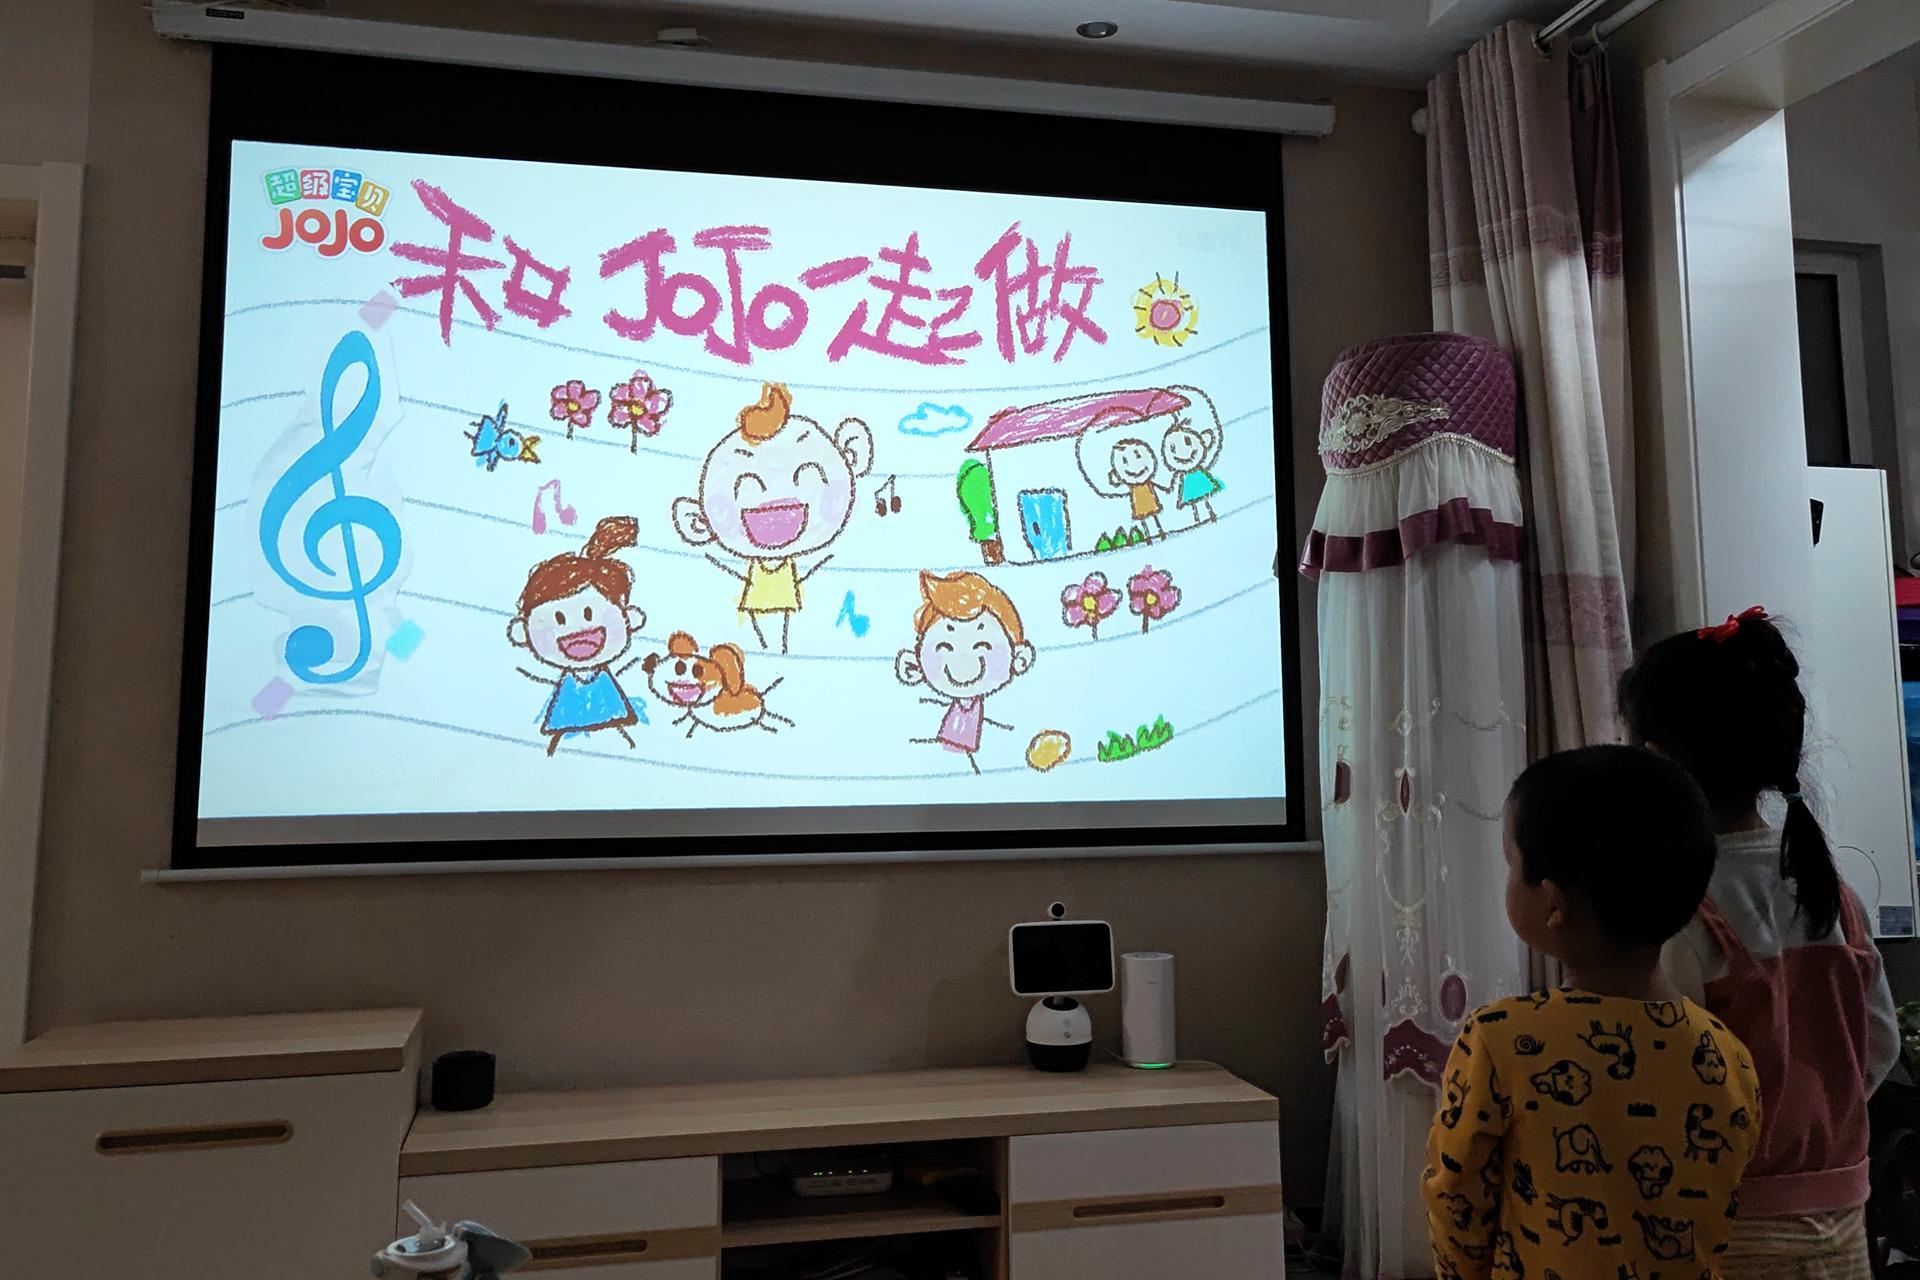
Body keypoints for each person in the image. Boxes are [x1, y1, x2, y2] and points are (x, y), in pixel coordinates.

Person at [1620, 607, 1900, 1278]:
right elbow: (1880, 1043)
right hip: (1844, 1220)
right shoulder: (1835, 893)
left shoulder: (1680, 907)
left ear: (1654, 759)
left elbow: (1664, 1073)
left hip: (1729, 1224)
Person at [1425, 745, 1763, 1280]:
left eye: (1512, 864)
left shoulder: (1500, 1039)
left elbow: (1458, 1198)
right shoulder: (1727, 1054)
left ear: (1553, 903)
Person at [508, 516, 648, 757]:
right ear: (524, 631)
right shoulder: (565, 693)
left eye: (588, 614)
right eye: (559, 619)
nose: (578, 632)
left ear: (629, 618)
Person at [893, 570, 1035, 775]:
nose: (963, 661)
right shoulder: (918, 714)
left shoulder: (1011, 720)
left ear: (1020, 658)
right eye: (945, 646)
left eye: (982, 645)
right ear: (914, 665)